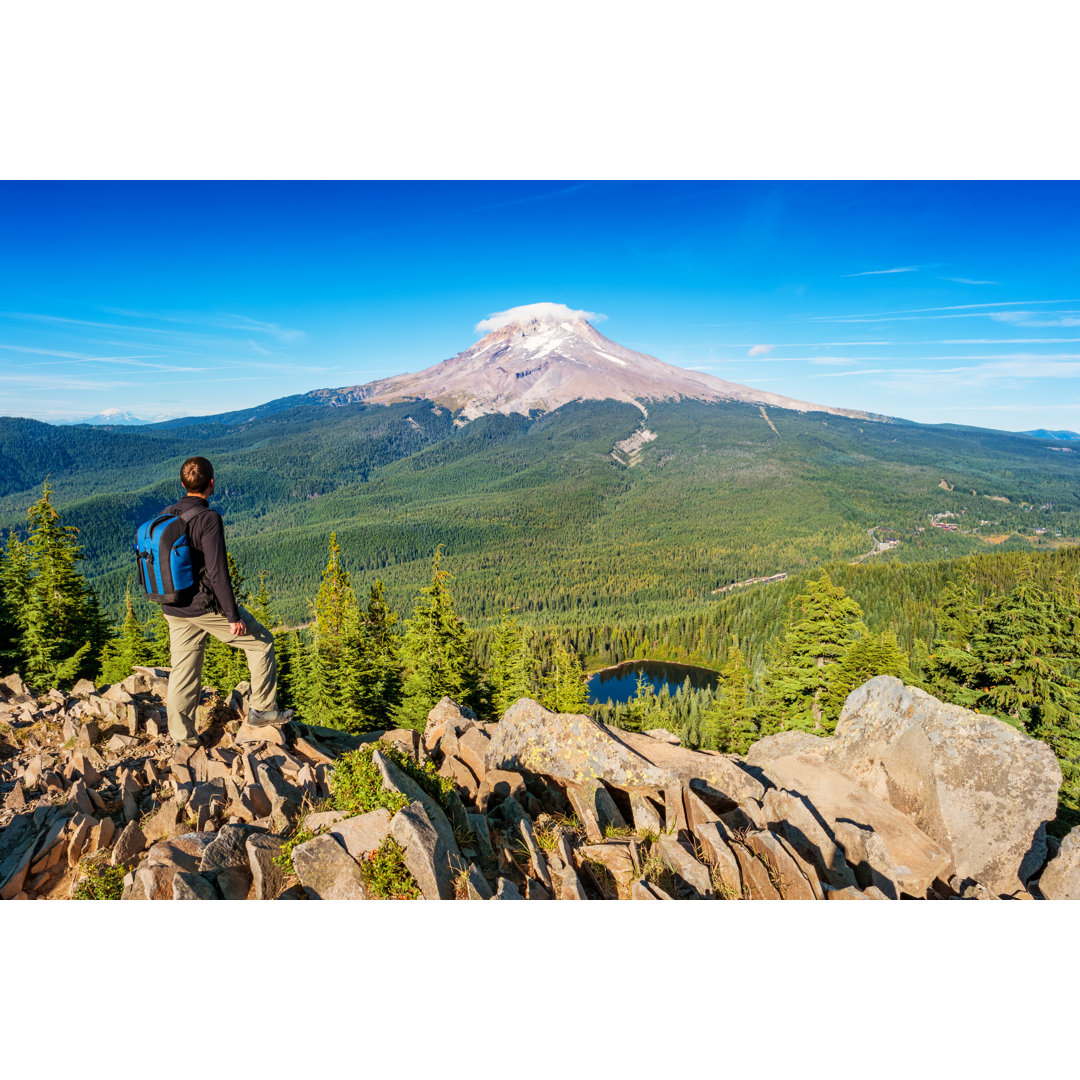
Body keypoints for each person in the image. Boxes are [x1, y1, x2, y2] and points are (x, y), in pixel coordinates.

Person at [162, 456, 292, 746]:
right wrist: (232, 616)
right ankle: (263, 709)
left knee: (183, 669)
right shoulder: (208, 519)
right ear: (211, 484)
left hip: (173, 605)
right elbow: (217, 572)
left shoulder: (167, 513)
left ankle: (182, 737)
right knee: (261, 643)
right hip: (203, 606)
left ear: (182, 485)